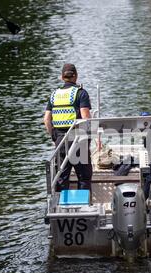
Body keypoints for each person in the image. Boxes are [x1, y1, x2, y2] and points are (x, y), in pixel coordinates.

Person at [43, 64, 93, 192]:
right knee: (83, 176)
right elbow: (86, 117)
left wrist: (54, 136)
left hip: (60, 140)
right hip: (78, 139)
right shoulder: (80, 93)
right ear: (75, 76)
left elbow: (47, 119)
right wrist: (89, 137)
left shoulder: (54, 95)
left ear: (62, 77)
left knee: (62, 175)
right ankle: (84, 205)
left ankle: (60, 205)